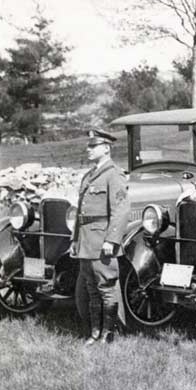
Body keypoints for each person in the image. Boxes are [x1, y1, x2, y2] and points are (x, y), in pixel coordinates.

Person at [72, 128, 130, 345]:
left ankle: (110, 333)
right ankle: (94, 333)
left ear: (106, 148)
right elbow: (81, 213)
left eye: (92, 146)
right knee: (91, 288)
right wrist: (75, 241)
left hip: (102, 241)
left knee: (106, 287)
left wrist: (111, 240)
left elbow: (121, 209)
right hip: (86, 242)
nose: (88, 149)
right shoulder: (89, 176)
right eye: (89, 145)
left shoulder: (113, 174)